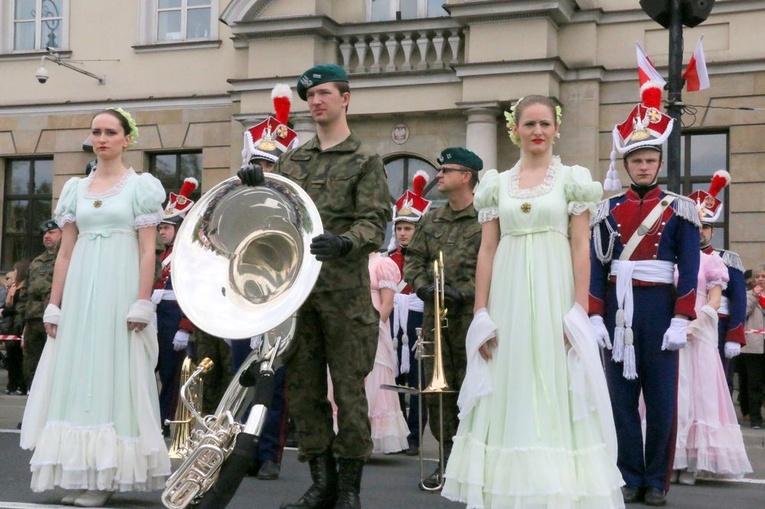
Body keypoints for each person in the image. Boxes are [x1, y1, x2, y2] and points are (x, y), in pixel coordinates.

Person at [441, 96, 624, 508]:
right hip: (507, 294)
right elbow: (487, 250)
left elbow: (581, 247)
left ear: (556, 128)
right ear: (515, 129)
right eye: (529, 124)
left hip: (554, 291)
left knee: (553, 383)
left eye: (545, 123)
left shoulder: (573, 180)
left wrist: (578, 311)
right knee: (509, 380)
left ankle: (555, 491)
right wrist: (481, 313)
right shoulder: (495, 184)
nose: (537, 131)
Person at [238, 64, 391, 509]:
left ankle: (348, 489)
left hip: (344, 295)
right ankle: (320, 482)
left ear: (346, 98)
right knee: (303, 392)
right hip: (299, 293)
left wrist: (346, 242)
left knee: (348, 393)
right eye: (311, 96)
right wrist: (256, 184)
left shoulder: (365, 160)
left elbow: (375, 221)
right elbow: (277, 210)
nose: (316, 101)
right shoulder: (294, 160)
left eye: (325, 93)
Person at [20, 107, 170, 508]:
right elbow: (65, 253)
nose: (101, 139)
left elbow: (146, 251)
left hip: (118, 289)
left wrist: (142, 301)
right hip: (81, 289)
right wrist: (54, 305)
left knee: (110, 373)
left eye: (110, 132)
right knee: (77, 377)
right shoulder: (74, 189)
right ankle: (82, 469)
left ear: (127, 139)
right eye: (96, 132)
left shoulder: (141, 187)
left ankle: (104, 475)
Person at [590, 81, 701, 506]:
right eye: (636, 159)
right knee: (619, 401)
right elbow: (598, 268)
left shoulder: (679, 208)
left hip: (658, 308)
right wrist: (594, 314)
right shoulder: (608, 210)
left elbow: (688, 267)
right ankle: (629, 474)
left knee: (660, 401)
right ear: (627, 162)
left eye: (649, 159)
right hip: (619, 310)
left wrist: (682, 318)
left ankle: (656, 479)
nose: (643, 166)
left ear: (658, 162)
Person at [233, 83, 302, 481]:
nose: (266, 171)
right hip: (244, 295)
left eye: (273, 165)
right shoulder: (237, 196)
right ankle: (238, 450)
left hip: (279, 296)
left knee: (271, 380)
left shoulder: (294, 199)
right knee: (239, 376)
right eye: (260, 163)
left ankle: (268, 453)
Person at [405, 146, 483, 490]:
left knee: (473, 388)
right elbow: (413, 260)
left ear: (465, 176)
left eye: (446, 170)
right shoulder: (430, 219)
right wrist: (422, 287)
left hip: (469, 318)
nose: (439, 175)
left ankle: (474, 463)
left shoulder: (485, 219)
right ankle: (448, 461)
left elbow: (492, 267)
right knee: (438, 392)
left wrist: (462, 292)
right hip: (435, 318)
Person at [389, 171, 431, 456]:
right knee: (395, 380)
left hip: (418, 320)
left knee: (418, 379)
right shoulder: (387, 259)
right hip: (393, 321)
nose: (404, 233)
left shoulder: (427, 259)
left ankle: (415, 436)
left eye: (409, 228)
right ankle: (399, 433)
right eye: (400, 228)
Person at [689, 171, 747, 381]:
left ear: (713, 231)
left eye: (705, 227)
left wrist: (734, 335)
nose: (700, 231)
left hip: (718, 326)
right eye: (696, 226)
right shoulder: (677, 259)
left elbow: (739, 299)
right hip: (685, 325)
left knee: (718, 379)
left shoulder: (727, 259)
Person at [153, 177, 198, 436]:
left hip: (174, 318)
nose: (162, 231)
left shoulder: (187, 255)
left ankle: (165, 419)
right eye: (161, 227)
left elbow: (193, 293)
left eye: (167, 227)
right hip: (155, 317)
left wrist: (185, 327)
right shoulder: (160, 254)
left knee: (171, 374)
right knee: (151, 370)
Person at [366, 251, 409, 453]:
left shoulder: (383, 264)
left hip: (374, 327)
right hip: (350, 326)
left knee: (375, 375)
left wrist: (373, 329)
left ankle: (374, 435)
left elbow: (387, 303)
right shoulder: (349, 263)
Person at [23, 220, 62, 388]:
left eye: (52, 233)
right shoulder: (37, 262)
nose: (47, 236)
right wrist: (21, 321)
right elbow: (26, 292)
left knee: (55, 361)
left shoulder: (66, 259)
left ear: (62, 234)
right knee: (31, 362)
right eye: (45, 234)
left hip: (55, 318)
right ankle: (33, 391)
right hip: (33, 318)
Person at [2, 260, 30, 396]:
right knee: (12, 355)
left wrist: (3, 312)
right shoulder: (14, 288)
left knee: (19, 357)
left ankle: (21, 384)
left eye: (15, 271)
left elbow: (19, 307)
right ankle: (12, 384)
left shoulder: (24, 288)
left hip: (20, 323)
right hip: (12, 324)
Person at [743, 264, 765, 429]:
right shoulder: (748, 295)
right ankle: (756, 419)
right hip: (754, 346)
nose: (760, 279)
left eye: (763, 277)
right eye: (758, 277)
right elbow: (742, 313)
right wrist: (753, 298)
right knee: (754, 383)